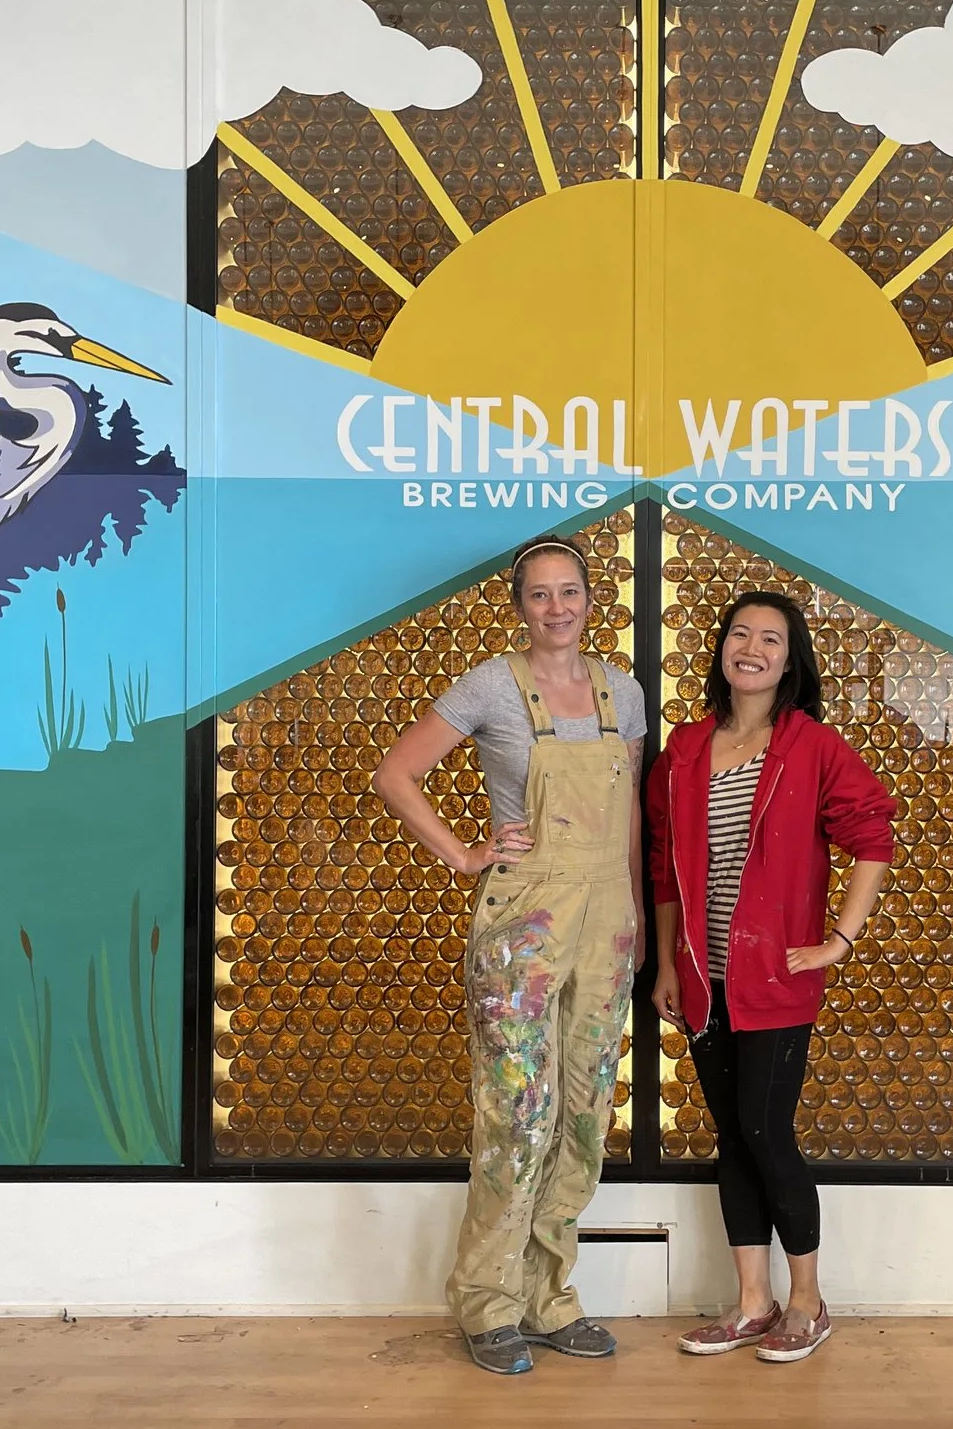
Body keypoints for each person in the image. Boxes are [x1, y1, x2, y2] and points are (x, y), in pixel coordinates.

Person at [374, 532, 646, 1376]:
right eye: (540, 593)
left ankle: (549, 1295)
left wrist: (638, 915)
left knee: (585, 1113)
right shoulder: (492, 684)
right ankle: (489, 1300)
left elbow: (631, 813)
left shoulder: (625, 691)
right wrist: (464, 854)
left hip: (608, 918)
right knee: (518, 1114)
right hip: (525, 919)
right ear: (519, 604)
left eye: (570, 591)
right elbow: (395, 774)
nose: (557, 607)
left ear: (592, 598)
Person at [646, 590, 894, 1364]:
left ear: (790, 661)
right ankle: (753, 1302)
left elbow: (873, 835)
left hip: (776, 980)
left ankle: (808, 1300)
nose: (751, 648)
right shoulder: (685, 749)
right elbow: (663, 867)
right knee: (732, 1136)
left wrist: (837, 941)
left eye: (771, 639)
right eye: (740, 633)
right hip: (704, 979)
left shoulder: (811, 746)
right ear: (722, 648)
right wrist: (666, 962)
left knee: (764, 1129)